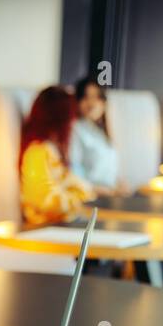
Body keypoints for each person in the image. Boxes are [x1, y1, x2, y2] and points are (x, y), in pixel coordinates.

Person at [20, 85, 94, 226]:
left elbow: (83, 188)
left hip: (63, 223)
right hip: (45, 228)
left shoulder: (53, 151)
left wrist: (82, 195)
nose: (73, 124)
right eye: (70, 118)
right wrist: (78, 200)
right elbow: (45, 202)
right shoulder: (37, 152)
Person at [69, 76, 124, 194]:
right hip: (90, 197)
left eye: (96, 98)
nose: (91, 103)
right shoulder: (76, 129)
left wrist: (119, 184)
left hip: (109, 195)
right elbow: (73, 172)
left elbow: (108, 170)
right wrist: (99, 190)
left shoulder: (102, 132)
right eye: (85, 97)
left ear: (104, 103)